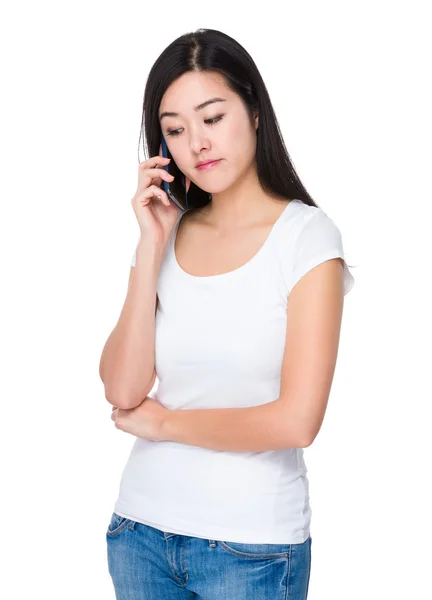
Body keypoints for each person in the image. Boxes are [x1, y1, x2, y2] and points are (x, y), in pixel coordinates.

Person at [99, 28, 355, 600]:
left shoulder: (307, 239)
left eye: (213, 117)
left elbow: (296, 421)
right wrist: (150, 245)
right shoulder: (167, 233)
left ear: (255, 112)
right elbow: (122, 388)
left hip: (252, 548)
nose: (197, 143)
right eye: (175, 129)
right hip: (140, 533)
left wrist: (164, 424)